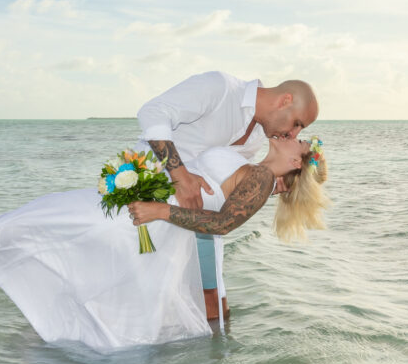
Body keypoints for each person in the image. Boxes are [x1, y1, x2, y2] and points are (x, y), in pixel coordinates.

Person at [0, 136, 329, 354]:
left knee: (56, 214)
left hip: (154, 219)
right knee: (58, 218)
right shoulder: (252, 163)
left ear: (296, 162)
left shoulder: (261, 179)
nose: (295, 136)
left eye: (301, 141)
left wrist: (160, 210)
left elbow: (221, 225)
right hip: (154, 218)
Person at [135, 71, 319, 320]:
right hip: (148, 191)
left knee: (206, 302)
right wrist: (180, 175)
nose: (293, 134)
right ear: (286, 100)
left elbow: (232, 186)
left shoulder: (257, 138)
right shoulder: (220, 88)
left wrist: (274, 186)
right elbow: (152, 112)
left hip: (186, 219)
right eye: (297, 123)